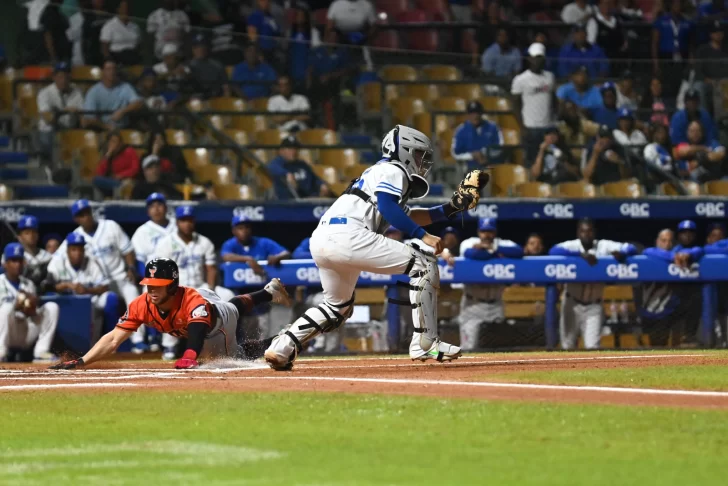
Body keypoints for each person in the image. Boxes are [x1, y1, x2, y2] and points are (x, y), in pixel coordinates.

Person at [263, 125, 483, 370]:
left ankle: (282, 347)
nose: (422, 161)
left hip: (325, 237)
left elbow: (402, 213)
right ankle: (425, 341)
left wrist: (450, 209)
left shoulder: (378, 173)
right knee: (424, 264)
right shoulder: (393, 168)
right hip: (350, 235)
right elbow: (390, 208)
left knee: (337, 307)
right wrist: (422, 236)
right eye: (419, 154)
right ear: (405, 150)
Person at [50, 258, 292, 370]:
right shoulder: (141, 303)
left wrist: (189, 355)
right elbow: (114, 338)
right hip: (208, 302)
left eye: (159, 284)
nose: (152, 289)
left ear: (173, 285)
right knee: (233, 307)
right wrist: (83, 361)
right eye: (149, 284)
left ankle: (283, 338)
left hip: (214, 324)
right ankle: (268, 292)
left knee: (234, 359)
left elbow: (197, 332)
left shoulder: (190, 301)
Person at [55, 199, 143, 347]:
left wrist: (131, 267)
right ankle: (110, 343)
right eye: (81, 215)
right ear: (76, 219)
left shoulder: (110, 226)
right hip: (99, 285)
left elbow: (127, 250)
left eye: (87, 213)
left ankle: (138, 340)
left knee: (134, 299)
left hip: (120, 277)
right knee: (107, 302)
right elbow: (58, 258)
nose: (86, 217)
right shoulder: (76, 237)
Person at [153, 206, 236, 359]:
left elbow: (211, 269)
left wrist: (211, 291)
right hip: (176, 288)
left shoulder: (204, 242)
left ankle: (227, 341)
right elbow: (161, 273)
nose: (187, 224)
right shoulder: (165, 243)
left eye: (189, 220)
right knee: (172, 303)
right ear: (177, 222)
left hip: (200, 287)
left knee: (228, 295)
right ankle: (169, 345)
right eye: (183, 221)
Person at [549, 219, 638, 349]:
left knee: (593, 347)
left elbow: (631, 248)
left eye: (589, 231)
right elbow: (553, 251)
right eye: (583, 231)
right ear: (578, 233)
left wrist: (622, 254)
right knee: (567, 346)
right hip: (571, 304)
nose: (586, 234)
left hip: (594, 307)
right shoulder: (572, 245)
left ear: (594, 233)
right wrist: (580, 255)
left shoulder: (603, 245)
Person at [220, 214, 292, 339]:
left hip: (261, 292)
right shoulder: (230, 244)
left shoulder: (262, 242)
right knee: (240, 330)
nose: (244, 231)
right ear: (234, 231)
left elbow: (286, 253)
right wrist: (248, 259)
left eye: (247, 227)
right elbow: (225, 256)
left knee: (262, 331)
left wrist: (277, 257)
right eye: (240, 228)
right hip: (240, 293)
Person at [458, 218, 524, 350]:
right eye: (483, 231)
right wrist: (494, 253)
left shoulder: (502, 244)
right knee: (468, 347)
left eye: (490, 231)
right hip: (472, 306)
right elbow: (471, 253)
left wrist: (492, 248)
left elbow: (519, 252)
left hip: (496, 305)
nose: (486, 235)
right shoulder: (469, 243)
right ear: (478, 232)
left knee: (498, 347)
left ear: (495, 233)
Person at [46, 233, 119, 342]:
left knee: (111, 298)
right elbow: (46, 287)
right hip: (65, 304)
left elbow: (105, 286)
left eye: (80, 249)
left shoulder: (91, 262)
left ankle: (111, 341)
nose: (78, 253)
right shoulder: (57, 263)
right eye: (74, 249)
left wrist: (87, 290)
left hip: (90, 303)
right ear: (67, 251)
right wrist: (66, 285)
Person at [0, 243, 59, 363]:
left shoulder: (29, 284)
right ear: (5, 263)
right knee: (6, 307)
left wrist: (31, 308)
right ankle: (1, 351)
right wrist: (16, 304)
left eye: (20, 260)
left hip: (25, 332)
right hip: (7, 332)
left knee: (52, 307)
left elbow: (32, 313)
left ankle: (41, 352)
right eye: (13, 260)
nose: (17, 264)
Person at [511, 43, 556, 167]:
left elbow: (553, 100)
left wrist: (554, 121)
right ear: (529, 58)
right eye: (535, 57)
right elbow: (515, 105)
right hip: (530, 127)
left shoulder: (550, 77)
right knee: (531, 162)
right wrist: (522, 127)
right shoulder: (520, 79)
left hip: (547, 127)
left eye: (540, 57)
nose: (537, 60)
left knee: (549, 162)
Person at [36, 62, 84, 157]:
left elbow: (83, 117)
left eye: (66, 77)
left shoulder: (77, 92)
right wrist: (65, 111)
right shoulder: (45, 93)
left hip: (71, 130)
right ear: (54, 77)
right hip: (50, 131)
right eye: (60, 77)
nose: (64, 80)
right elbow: (48, 118)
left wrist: (80, 116)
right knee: (50, 140)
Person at [82, 60, 143, 131]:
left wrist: (123, 111)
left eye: (114, 69)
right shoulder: (93, 91)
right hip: (101, 129)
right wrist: (107, 127)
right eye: (108, 69)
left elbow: (138, 103)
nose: (112, 72)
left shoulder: (125, 87)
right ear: (103, 72)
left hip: (123, 128)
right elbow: (89, 118)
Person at [268, 135, 332, 200]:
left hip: (310, 200)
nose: (293, 151)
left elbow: (314, 178)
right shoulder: (278, 163)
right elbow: (271, 168)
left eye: (295, 148)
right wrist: (286, 174)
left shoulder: (302, 165)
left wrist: (321, 184)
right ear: (281, 151)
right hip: (290, 203)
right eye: (290, 149)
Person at [652, 0, 694, 97]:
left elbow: (691, 43)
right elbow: (655, 44)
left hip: (682, 58)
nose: (677, 7)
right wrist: (655, 63)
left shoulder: (687, 23)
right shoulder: (661, 21)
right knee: (667, 86)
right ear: (670, 6)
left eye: (679, 4)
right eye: (675, 4)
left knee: (681, 85)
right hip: (666, 57)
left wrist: (691, 59)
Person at [451, 100, 504, 170]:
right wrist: (472, 155)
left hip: (491, 165)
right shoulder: (461, 130)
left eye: (477, 113)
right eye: (471, 113)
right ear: (467, 115)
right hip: (469, 167)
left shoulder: (493, 127)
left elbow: (500, 147)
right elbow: (455, 153)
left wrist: (485, 155)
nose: (475, 116)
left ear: (481, 114)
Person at [131, 193, 176, 274]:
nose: (156, 209)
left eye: (159, 205)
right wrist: (147, 278)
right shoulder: (142, 231)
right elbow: (139, 260)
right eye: (152, 206)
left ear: (166, 208)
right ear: (148, 212)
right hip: (155, 275)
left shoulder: (177, 225)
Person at [326, 0, 376, 69]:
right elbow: (329, 26)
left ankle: (369, 65)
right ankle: (331, 61)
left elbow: (374, 26)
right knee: (332, 34)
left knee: (368, 38)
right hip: (340, 34)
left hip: (360, 35)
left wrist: (366, 36)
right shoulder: (336, 4)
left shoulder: (367, 5)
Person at [8, 216, 52, 289]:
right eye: (27, 233)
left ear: (38, 235)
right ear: (19, 236)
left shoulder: (47, 256)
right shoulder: (13, 255)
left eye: (34, 232)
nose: (31, 236)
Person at [22, 0, 70, 65]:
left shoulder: (57, 14)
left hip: (59, 56)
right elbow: (48, 36)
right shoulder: (50, 13)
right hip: (50, 58)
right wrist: (53, 57)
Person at [695, 21, 728, 116]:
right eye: (715, 32)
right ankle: (705, 117)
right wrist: (707, 79)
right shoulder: (703, 50)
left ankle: (722, 121)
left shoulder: (726, 49)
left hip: (725, 83)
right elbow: (697, 69)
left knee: (724, 88)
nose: (718, 35)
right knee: (699, 87)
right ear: (710, 34)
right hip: (709, 82)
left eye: (720, 32)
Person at [587, 0, 628, 73]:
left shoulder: (617, 20)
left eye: (609, 4)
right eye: (604, 4)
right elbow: (591, 43)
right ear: (599, 6)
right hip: (602, 59)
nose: (607, 6)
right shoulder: (594, 22)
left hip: (618, 58)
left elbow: (623, 39)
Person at [94, 130, 140, 195]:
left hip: (126, 181)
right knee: (96, 180)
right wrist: (107, 156)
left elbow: (135, 168)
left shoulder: (129, 151)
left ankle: (119, 189)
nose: (113, 144)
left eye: (115, 141)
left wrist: (121, 175)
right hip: (112, 182)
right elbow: (99, 173)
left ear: (120, 143)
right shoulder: (108, 156)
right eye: (111, 141)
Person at [186, 33, 230, 98]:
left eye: (202, 46)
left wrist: (226, 100)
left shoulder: (217, 65)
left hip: (215, 99)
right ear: (193, 49)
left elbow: (226, 87)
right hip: (195, 100)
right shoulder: (187, 66)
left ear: (207, 48)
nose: (200, 50)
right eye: (197, 47)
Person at [99, 0, 140, 65]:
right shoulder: (109, 26)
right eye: (124, 8)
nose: (126, 11)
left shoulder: (135, 26)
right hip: (116, 58)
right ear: (118, 9)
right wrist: (110, 61)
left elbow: (139, 45)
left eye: (128, 8)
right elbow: (104, 48)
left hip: (133, 57)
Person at [247, 0, 283, 65]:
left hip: (273, 51)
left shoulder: (271, 17)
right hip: (261, 51)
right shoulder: (255, 15)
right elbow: (252, 37)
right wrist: (258, 53)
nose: (265, 3)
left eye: (267, 1)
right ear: (258, 2)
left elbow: (278, 33)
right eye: (262, 1)